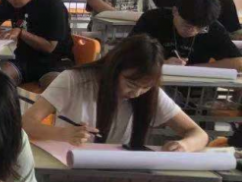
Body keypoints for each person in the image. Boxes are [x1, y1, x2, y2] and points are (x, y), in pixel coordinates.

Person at [22, 34, 209, 150]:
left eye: (145, 87)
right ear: (114, 69)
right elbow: (26, 123)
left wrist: (184, 145)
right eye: (130, 83)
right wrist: (63, 133)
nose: (136, 93)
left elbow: (199, 133)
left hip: (118, 174)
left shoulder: (150, 92)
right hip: (68, 169)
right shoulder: (73, 80)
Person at [131, 0, 242, 71]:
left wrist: (191, 69)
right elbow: (128, 54)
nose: (193, 31)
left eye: (200, 28)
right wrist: (161, 64)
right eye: (187, 25)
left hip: (195, 88)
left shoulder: (213, 27)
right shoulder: (152, 19)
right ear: (175, 11)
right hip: (153, 82)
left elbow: (238, 62)